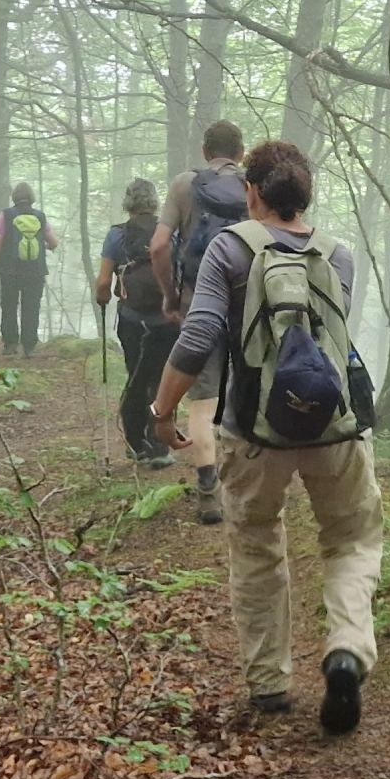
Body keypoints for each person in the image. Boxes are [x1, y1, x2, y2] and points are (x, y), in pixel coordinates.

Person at [151, 140, 382, 733]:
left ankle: (269, 683)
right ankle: (347, 651)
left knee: (255, 545)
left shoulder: (228, 248)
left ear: (251, 192)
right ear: (306, 194)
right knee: (352, 538)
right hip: (335, 427)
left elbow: (200, 332)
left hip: (254, 430)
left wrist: (163, 407)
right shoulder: (339, 254)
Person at [150, 120, 247, 524]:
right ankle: (249, 484)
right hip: (248, 304)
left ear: (207, 151)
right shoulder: (255, 186)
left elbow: (158, 246)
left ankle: (209, 491)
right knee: (248, 390)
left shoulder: (183, 186)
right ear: (240, 153)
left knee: (203, 401)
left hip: (198, 302)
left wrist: (170, 296)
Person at [95, 178, 174, 466]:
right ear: (154, 202)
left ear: (128, 203)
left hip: (131, 319)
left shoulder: (116, 236)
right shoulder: (169, 233)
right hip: (167, 318)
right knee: (163, 378)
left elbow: (103, 282)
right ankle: (160, 445)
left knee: (136, 375)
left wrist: (102, 298)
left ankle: (136, 443)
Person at [0, 182, 57, 357]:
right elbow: (54, 242)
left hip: (9, 269)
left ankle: (10, 345)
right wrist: (41, 245)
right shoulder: (40, 216)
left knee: (8, 305)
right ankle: (29, 347)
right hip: (36, 270)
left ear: (14, 197)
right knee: (31, 306)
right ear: (31, 197)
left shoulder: (6, 215)